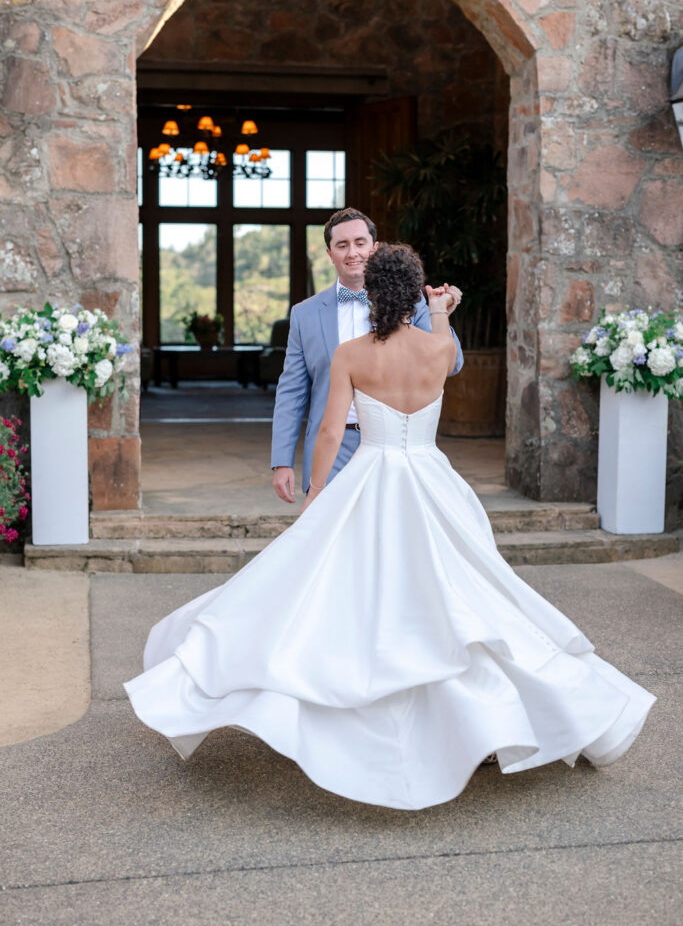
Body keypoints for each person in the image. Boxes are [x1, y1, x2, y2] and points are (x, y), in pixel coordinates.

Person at [124, 242, 655, 811]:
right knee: (457, 597)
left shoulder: (353, 353)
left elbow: (330, 433)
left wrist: (317, 493)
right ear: (415, 292)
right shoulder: (438, 348)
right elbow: (446, 356)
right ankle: (497, 718)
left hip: (371, 475)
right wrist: (444, 313)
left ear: (374, 290)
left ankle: (362, 718)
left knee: (346, 593)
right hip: (431, 477)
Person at [271, 207, 464, 502]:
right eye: (342, 245)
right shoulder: (304, 314)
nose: (353, 252)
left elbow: (451, 364)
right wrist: (282, 459)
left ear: (374, 249)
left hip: (393, 447)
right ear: (329, 253)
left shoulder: (414, 303)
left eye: (360, 243)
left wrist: (439, 312)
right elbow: (291, 391)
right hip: (332, 448)